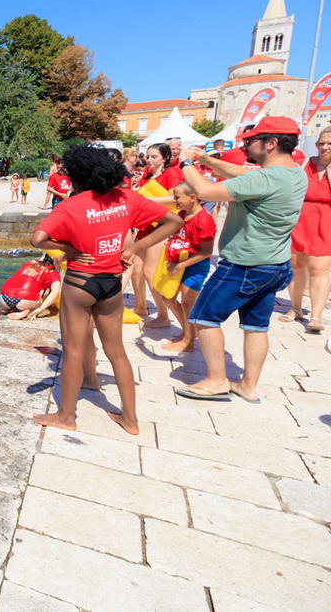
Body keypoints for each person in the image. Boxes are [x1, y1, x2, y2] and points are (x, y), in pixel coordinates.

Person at [31, 144, 181, 434]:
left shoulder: (69, 206)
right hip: (111, 284)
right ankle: (131, 420)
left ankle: (66, 417)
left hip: (80, 283)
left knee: (74, 351)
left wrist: (69, 251)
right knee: (117, 352)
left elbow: (38, 239)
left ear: (76, 176)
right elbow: (173, 220)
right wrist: (135, 247)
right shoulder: (127, 198)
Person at [175, 117, 307, 403]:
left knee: (203, 317)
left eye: (252, 140)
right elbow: (240, 173)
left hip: (244, 265)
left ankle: (216, 381)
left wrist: (187, 163)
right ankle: (248, 386)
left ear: (271, 143)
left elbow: (206, 191)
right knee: (256, 326)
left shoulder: (265, 179)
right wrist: (207, 160)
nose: (247, 144)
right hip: (276, 264)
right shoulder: (295, 172)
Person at [282, 126, 331, 333]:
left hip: (327, 219)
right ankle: (295, 307)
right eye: (321, 143)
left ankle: (316, 315)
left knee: (320, 268)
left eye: (329, 144)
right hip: (301, 217)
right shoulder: (303, 164)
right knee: (296, 264)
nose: (325, 147)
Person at [131, 142, 185, 327]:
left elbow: (175, 198)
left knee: (149, 272)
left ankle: (163, 316)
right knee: (135, 270)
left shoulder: (172, 173)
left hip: (161, 227)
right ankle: (141, 306)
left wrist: (146, 200)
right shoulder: (147, 176)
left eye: (154, 156)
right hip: (145, 226)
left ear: (165, 158)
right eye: (148, 156)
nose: (149, 160)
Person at [159, 182, 216, 352]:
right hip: (177, 263)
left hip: (195, 266)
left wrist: (180, 265)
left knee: (187, 303)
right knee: (168, 298)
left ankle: (189, 342)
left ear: (192, 197)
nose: (174, 200)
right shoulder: (183, 214)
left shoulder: (204, 220)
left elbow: (207, 251)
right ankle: (188, 332)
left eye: (177, 197)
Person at [0, 255, 62, 321]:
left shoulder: (31, 262)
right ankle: (25, 313)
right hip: (25, 300)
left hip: (5, 296)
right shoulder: (53, 274)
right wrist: (40, 309)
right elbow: (55, 292)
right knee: (40, 301)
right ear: (54, 258)